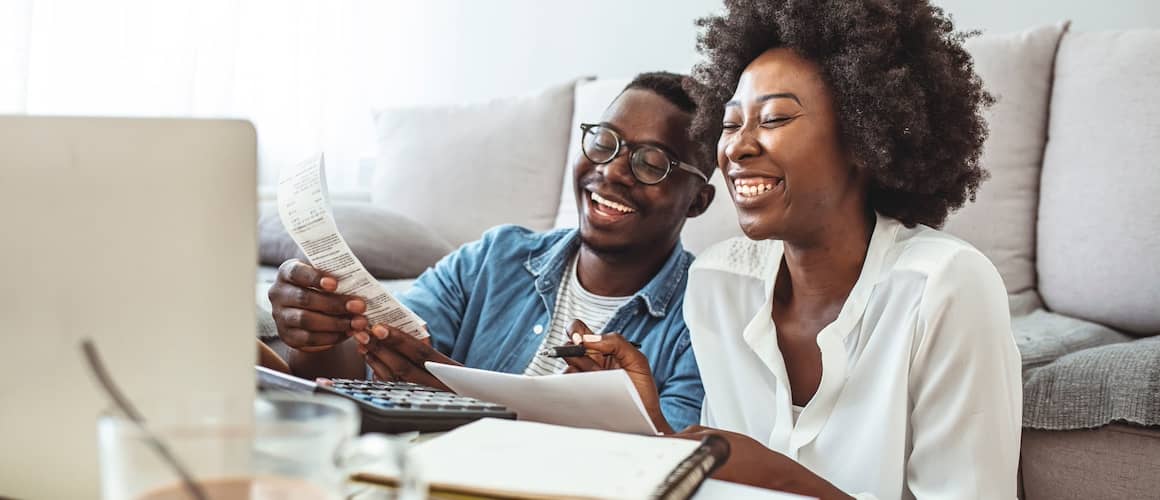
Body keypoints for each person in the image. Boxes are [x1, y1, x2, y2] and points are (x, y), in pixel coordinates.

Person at [565, 1, 1022, 498]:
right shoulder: (720, 284)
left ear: (862, 139)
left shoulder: (946, 287)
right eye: (731, 123)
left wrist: (783, 479)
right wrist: (654, 429)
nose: (737, 148)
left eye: (775, 118)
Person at [266, 72, 716, 431]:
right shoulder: (494, 259)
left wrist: (466, 401)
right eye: (604, 142)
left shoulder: (705, 318)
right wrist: (319, 337)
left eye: (651, 162)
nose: (612, 170)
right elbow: (361, 378)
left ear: (698, 200)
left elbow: (676, 454)